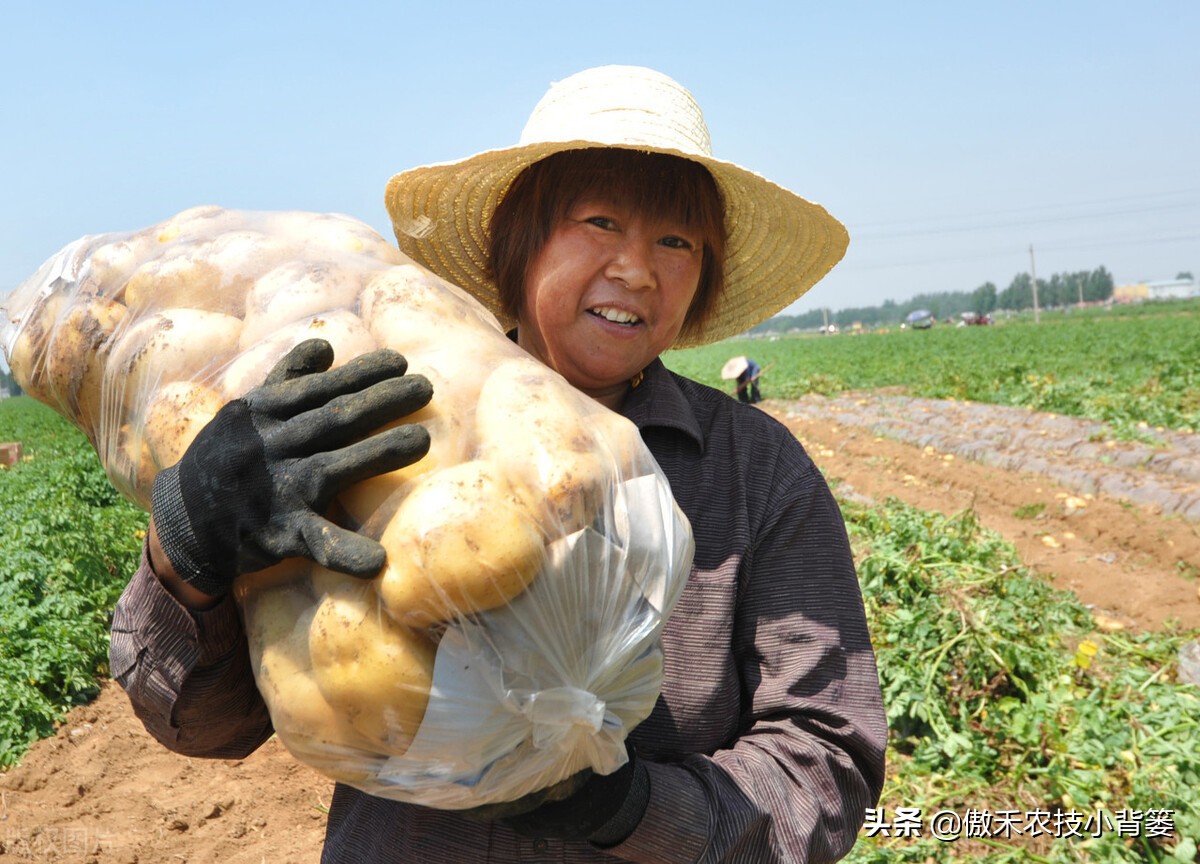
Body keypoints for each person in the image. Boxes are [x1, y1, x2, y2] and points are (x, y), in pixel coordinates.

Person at [111, 64, 886, 863]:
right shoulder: (374, 424)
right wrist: (188, 549)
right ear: (519, 242)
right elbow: (207, 728)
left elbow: (826, 765)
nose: (637, 268)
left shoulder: (755, 472)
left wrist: (626, 808)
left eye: (676, 240)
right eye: (599, 222)